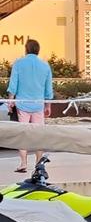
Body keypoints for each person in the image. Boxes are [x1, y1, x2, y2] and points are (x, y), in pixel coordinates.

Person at [6, 39, 52, 173]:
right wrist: (48, 105)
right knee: (39, 134)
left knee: (23, 134)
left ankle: (23, 163)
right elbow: (48, 88)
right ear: (38, 50)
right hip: (38, 104)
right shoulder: (45, 66)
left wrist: (10, 101)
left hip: (22, 104)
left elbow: (13, 84)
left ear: (26, 49)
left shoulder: (19, 63)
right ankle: (38, 164)